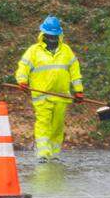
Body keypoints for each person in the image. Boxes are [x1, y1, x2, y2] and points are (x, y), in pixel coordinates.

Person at [14, 16, 84, 162]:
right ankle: (43, 154)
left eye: (54, 36)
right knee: (43, 123)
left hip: (62, 96)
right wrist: (22, 81)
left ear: (59, 35)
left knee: (57, 126)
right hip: (41, 96)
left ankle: (54, 154)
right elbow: (23, 66)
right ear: (43, 34)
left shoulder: (66, 51)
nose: (52, 38)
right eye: (49, 36)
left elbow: (75, 71)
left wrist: (78, 90)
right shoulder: (34, 51)